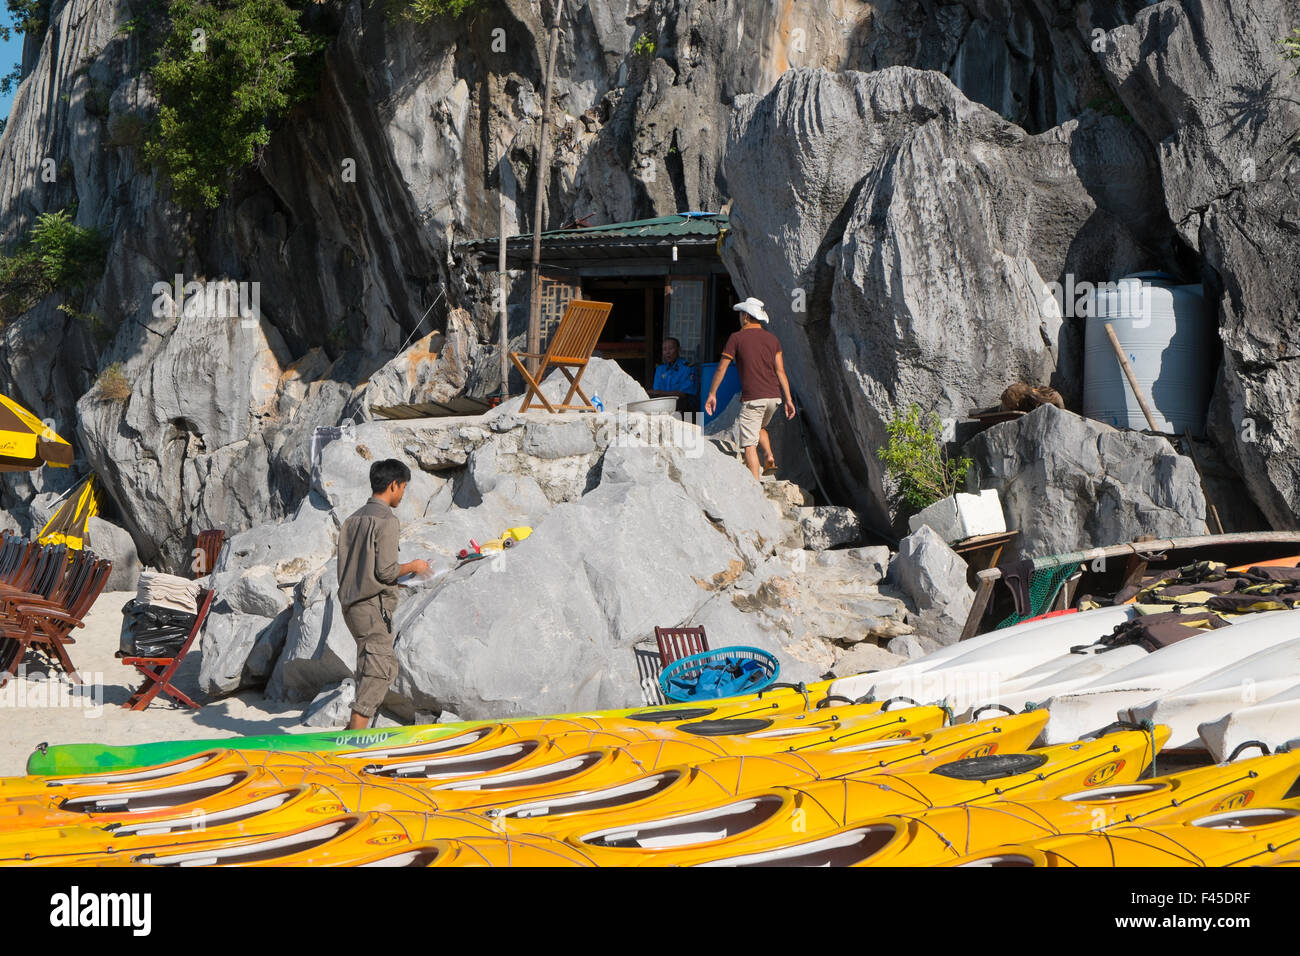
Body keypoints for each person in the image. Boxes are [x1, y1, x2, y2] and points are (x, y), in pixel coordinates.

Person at [337, 459, 430, 730]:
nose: (403, 493)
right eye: (403, 488)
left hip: (352, 607)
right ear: (393, 485)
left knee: (371, 665)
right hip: (371, 608)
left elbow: (359, 569)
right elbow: (387, 570)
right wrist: (414, 566)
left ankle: (354, 730)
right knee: (380, 669)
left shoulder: (352, 519)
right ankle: (354, 737)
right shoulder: (386, 520)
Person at [704, 297, 795, 481]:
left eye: (740, 315)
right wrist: (789, 399)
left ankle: (754, 488)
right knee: (758, 427)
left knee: (749, 445)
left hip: (754, 398)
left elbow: (722, 367)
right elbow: (780, 370)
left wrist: (712, 393)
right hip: (774, 398)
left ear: (746, 316)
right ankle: (769, 455)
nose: (739, 318)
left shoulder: (736, 338)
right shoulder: (772, 339)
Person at [648, 336, 699, 412]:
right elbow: (656, 392)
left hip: (686, 410)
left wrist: (660, 393)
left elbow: (683, 394)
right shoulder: (660, 369)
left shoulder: (688, 368)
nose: (667, 352)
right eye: (664, 349)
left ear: (679, 349)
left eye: (671, 348)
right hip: (664, 408)